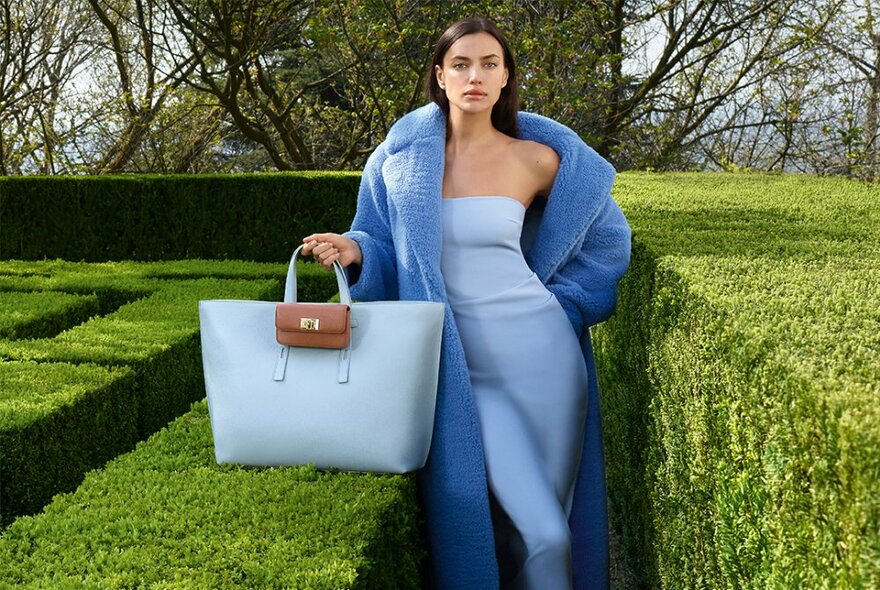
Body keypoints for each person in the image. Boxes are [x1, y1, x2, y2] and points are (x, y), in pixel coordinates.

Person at [301, 17, 631, 590]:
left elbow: (607, 241)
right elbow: (380, 240)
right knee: (539, 531)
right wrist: (356, 250)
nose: (474, 76)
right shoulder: (398, 163)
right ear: (440, 77)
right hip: (460, 365)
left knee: (545, 524)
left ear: (505, 78)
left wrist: (568, 307)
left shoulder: (538, 160)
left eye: (489, 64)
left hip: (544, 357)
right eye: (461, 64)